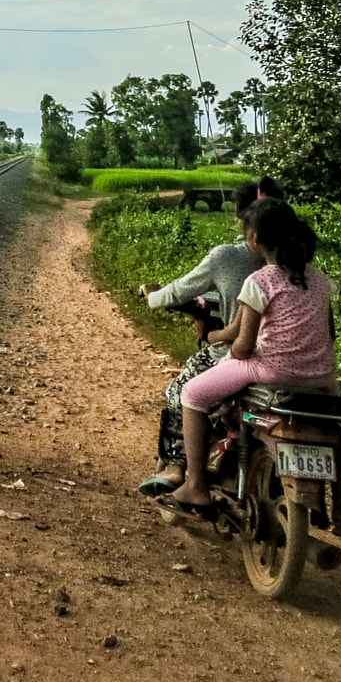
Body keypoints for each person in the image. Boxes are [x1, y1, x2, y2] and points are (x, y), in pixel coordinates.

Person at [167, 197, 338, 516]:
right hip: (322, 377)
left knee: (192, 394)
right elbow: (330, 334)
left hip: (270, 371)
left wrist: (226, 348)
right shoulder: (319, 280)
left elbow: (244, 347)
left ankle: (196, 486)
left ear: (254, 239)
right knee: (335, 426)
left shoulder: (259, 281)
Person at [133, 178, 278, 498]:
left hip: (242, 354)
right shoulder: (302, 265)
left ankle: (177, 468)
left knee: (180, 392)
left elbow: (181, 295)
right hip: (299, 362)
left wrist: (151, 296)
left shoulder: (228, 259)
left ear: (245, 224)